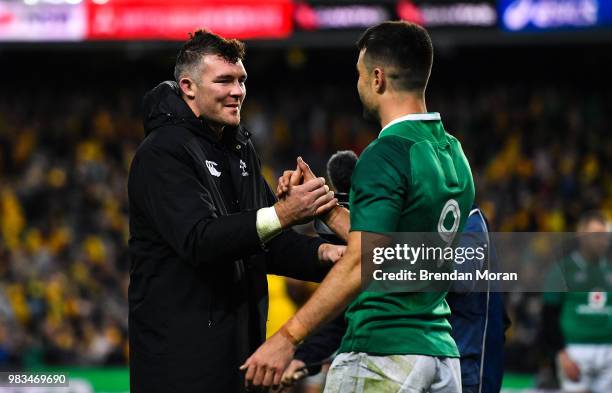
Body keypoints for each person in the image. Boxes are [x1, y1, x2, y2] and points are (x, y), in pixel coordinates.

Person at [242, 21, 475, 392]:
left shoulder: (386, 154)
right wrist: (328, 210)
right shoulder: (453, 154)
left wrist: (287, 338)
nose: (358, 85)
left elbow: (363, 260)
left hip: (383, 349)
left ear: (378, 78)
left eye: (359, 75)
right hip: (440, 355)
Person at [127, 30, 344, 393]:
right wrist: (284, 213)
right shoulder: (162, 153)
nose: (237, 91)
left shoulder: (239, 149)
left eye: (241, 80)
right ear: (188, 87)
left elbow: (266, 241)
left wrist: (326, 254)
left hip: (239, 357)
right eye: (224, 80)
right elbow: (200, 239)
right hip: (180, 367)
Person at [282, 205, 510, 393]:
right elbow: (358, 304)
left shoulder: (467, 220)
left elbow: (459, 278)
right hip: (420, 363)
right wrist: (305, 356)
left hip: (468, 372)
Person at [542, 211, 612, 393]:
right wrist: (561, 354)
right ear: (581, 235)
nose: (601, 240)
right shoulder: (564, 269)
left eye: (605, 235)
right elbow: (549, 315)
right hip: (575, 352)